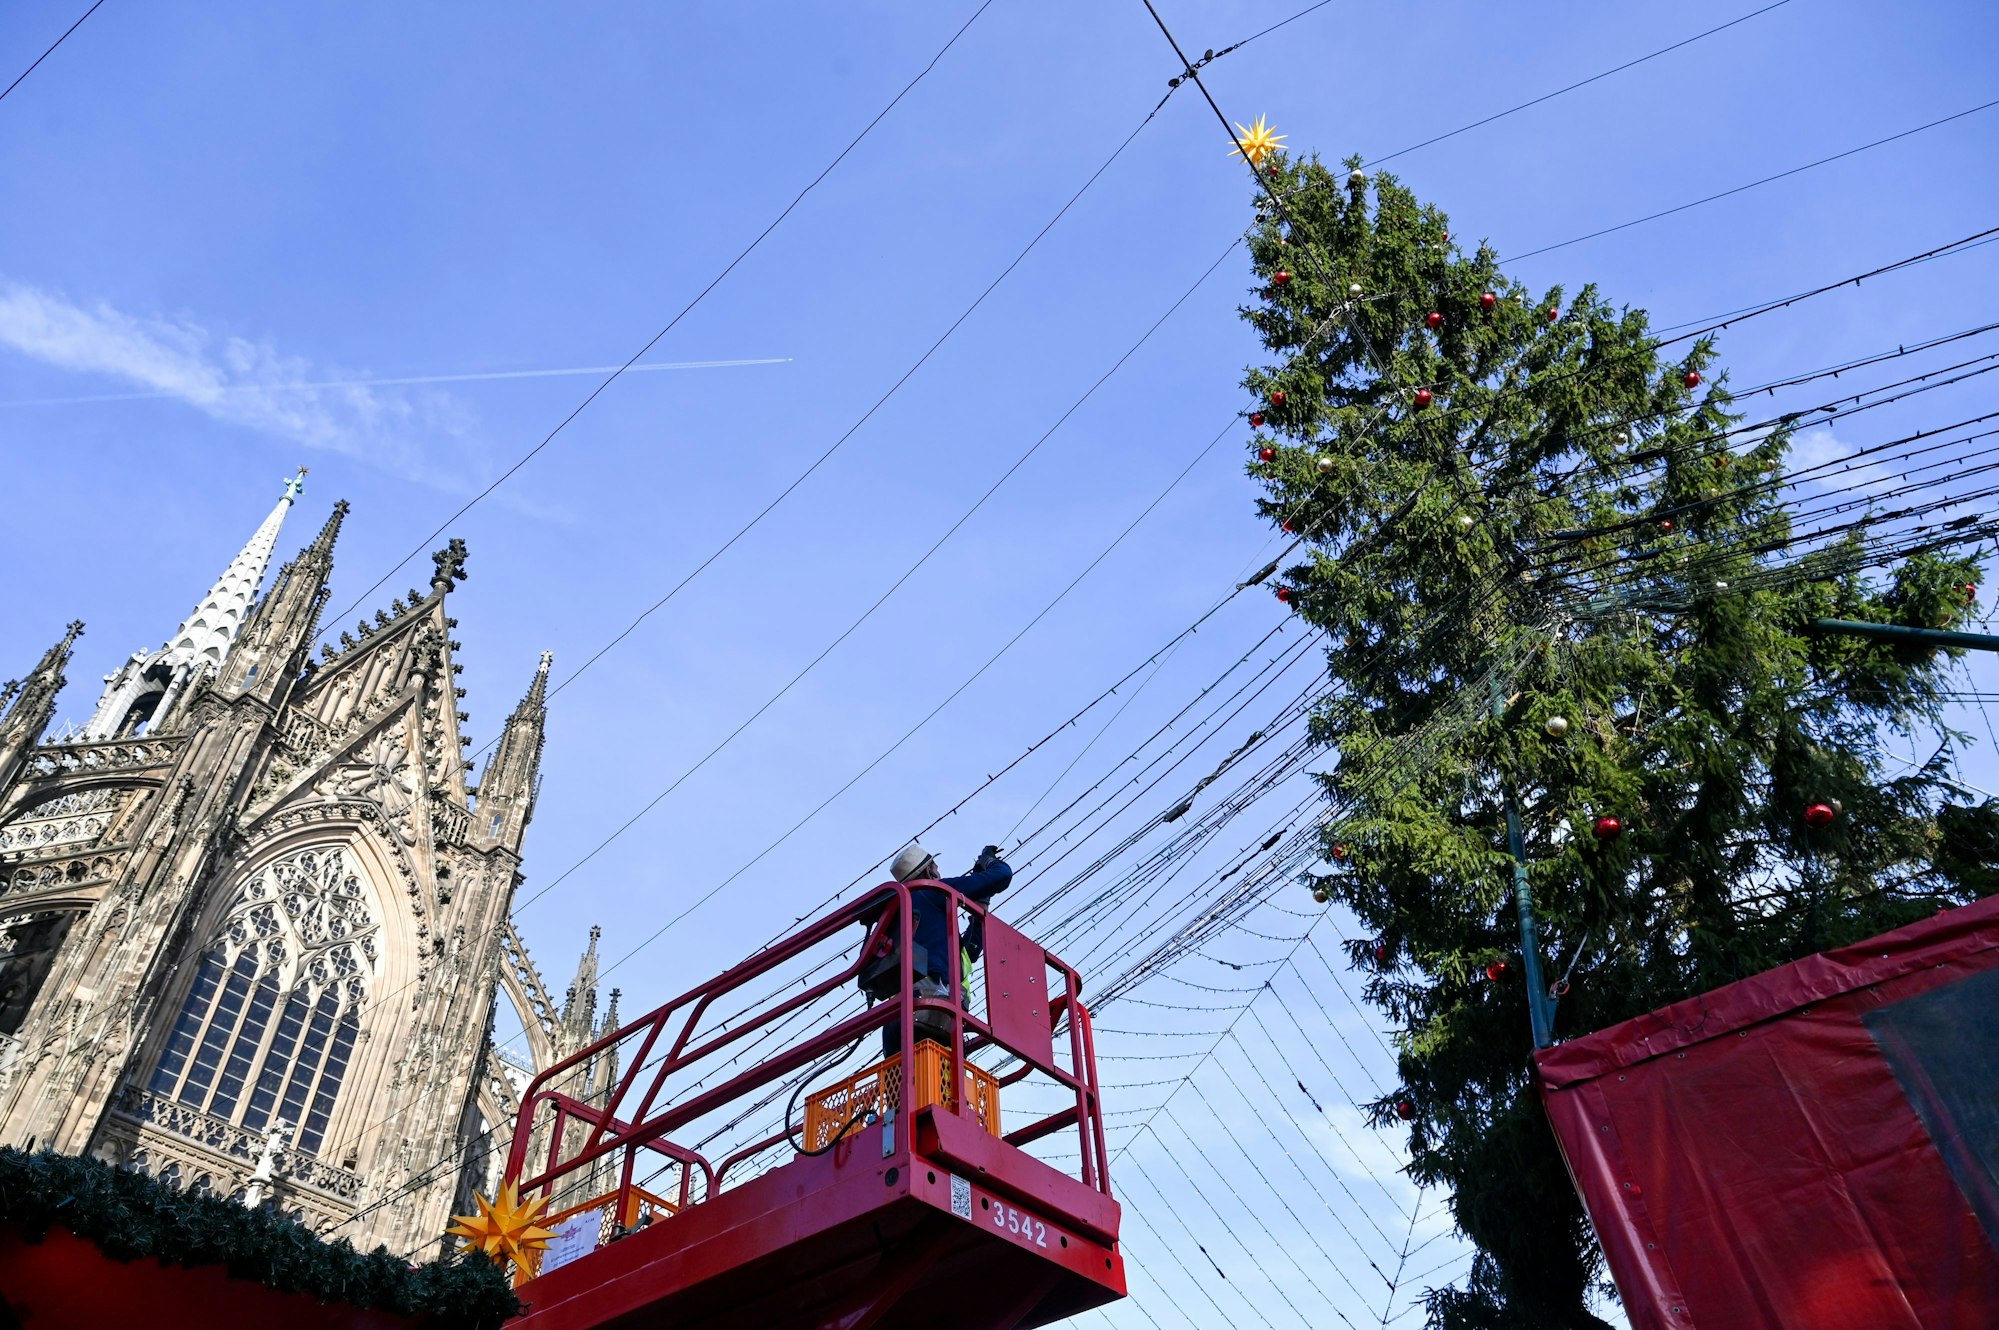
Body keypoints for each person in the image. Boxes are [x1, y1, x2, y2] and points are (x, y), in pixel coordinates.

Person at [861, 841, 1012, 1057]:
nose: (939, 871)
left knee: (905, 1082)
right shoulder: (931, 892)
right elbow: (1002, 876)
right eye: (935, 866)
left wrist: (978, 916)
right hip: (935, 1013)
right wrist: (989, 861)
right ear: (927, 872)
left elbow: (966, 954)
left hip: (898, 1020)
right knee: (941, 1082)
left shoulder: (900, 912)